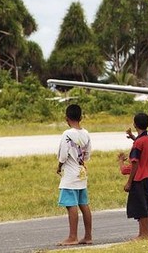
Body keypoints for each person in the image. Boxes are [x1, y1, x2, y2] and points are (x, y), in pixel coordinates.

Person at [120, 113, 148, 240]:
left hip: (138, 178)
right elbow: (141, 144)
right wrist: (133, 137)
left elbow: (135, 163)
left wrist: (129, 182)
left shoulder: (138, 144)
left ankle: (143, 234)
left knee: (141, 208)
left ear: (134, 125)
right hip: (147, 177)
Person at [56, 104, 93, 246]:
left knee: (71, 205)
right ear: (81, 117)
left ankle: (73, 236)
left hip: (70, 175)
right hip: (81, 172)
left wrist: (59, 166)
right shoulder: (86, 134)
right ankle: (88, 236)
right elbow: (88, 154)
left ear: (67, 118)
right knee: (84, 204)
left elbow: (63, 155)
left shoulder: (67, 134)